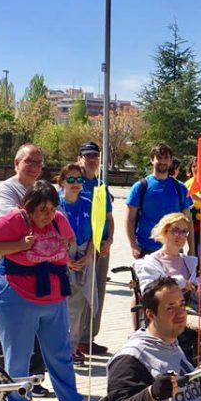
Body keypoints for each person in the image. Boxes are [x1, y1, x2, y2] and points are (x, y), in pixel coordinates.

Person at [0, 181, 84, 401]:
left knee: (60, 354)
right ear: (29, 207)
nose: (48, 215)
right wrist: (19, 245)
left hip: (53, 295)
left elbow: (68, 240)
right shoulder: (16, 220)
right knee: (18, 357)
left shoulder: (58, 219)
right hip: (16, 294)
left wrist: (64, 258)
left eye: (51, 208)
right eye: (42, 210)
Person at [0, 144, 49, 388]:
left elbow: (55, 220)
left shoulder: (43, 189)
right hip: (13, 267)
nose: (34, 167)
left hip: (42, 267)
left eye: (38, 162)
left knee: (39, 323)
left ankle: (34, 378)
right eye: (29, 162)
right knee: (8, 324)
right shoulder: (7, 189)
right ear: (16, 163)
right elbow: (16, 221)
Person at [133, 212, 201, 348]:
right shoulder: (150, 262)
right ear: (164, 232)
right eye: (175, 231)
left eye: (184, 232)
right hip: (169, 312)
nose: (181, 236)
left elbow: (199, 293)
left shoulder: (189, 261)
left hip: (193, 307)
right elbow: (149, 291)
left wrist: (198, 288)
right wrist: (181, 283)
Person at [57, 164, 98, 365]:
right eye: (70, 180)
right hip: (61, 260)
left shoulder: (88, 202)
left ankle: (72, 349)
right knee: (63, 307)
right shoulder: (56, 204)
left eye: (79, 180)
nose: (75, 184)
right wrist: (66, 259)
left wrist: (89, 255)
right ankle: (59, 349)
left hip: (84, 259)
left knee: (79, 307)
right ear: (62, 181)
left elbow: (96, 233)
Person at [76, 142, 113, 355]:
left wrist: (110, 238)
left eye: (95, 156)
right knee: (80, 294)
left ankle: (89, 337)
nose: (91, 159)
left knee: (98, 290)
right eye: (87, 155)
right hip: (83, 247)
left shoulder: (100, 185)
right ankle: (76, 339)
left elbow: (109, 216)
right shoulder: (75, 181)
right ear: (80, 158)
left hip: (102, 246)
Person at [126, 143, 192, 259]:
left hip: (174, 249)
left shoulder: (180, 188)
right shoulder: (141, 187)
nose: (162, 161)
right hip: (146, 249)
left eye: (166, 158)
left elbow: (188, 219)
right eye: (159, 158)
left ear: (170, 161)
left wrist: (192, 248)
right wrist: (133, 245)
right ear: (152, 160)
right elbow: (129, 218)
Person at [183, 156, 201, 264]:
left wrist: (197, 199)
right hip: (190, 222)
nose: (196, 169)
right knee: (192, 250)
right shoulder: (186, 185)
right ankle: (192, 275)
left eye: (199, 166)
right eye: (194, 166)